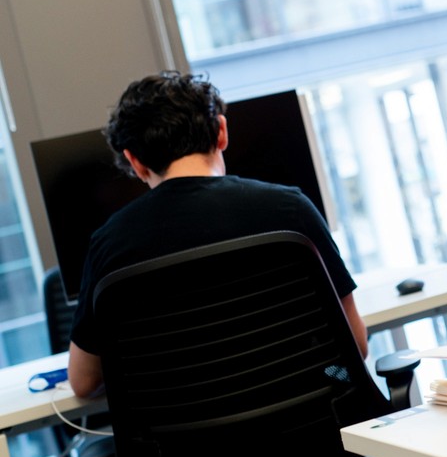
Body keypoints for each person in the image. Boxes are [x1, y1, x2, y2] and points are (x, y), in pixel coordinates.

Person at [68, 70, 368, 400]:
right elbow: (355, 344)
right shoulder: (290, 209)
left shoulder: (109, 244)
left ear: (135, 162)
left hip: (185, 447)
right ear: (222, 131)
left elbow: (83, 382)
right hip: (310, 430)